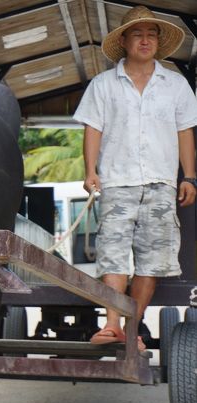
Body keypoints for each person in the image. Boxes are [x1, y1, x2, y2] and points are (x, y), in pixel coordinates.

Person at [73, 5, 197, 350]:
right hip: (116, 181)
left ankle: (131, 328)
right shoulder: (103, 85)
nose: (145, 40)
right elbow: (93, 129)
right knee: (113, 253)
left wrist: (191, 177)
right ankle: (111, 325)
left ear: (158, 41)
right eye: (138, 34)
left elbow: (185, 132)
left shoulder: (175, 85)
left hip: (161, 183)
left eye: (151, 34)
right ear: (124, 41)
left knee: (153, 259)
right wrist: (89, 170)